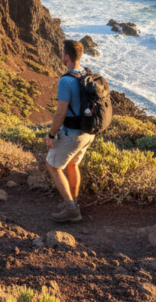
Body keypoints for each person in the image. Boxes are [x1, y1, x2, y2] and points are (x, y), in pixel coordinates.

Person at [45, 40, 97, 223]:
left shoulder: (66, 80)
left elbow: (60, 113)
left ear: (66, 56)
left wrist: (51, 135)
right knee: (73, 165)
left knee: (53, 166)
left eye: (62, 52)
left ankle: (71, 209)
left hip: (73, 133)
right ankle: (73, 201)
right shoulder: (86, 74)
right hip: (88, 133)